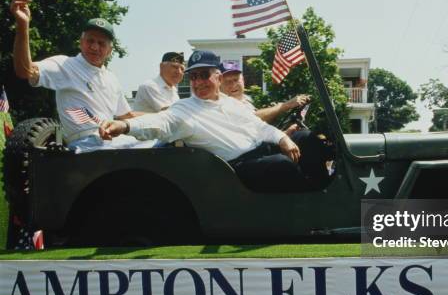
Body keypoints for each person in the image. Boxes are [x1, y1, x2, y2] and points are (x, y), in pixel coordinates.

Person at [100, 50, 330, 192]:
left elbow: (258, 127)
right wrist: (124, 126)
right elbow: (159, 123)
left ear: (217, 77)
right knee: (283, 165)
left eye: (204, 75)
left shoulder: (231, 103)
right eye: (194, 77)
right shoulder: (184, 109)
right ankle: (310, 206)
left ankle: (323, 191)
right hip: (237, 168)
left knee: (305, 138)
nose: (198, 82)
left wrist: (282, 138)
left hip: (259, 150)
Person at [10, 0, 151, 153]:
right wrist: (23, 25)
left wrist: (167, 116)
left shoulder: (111, 78)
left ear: (110, 50)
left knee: (168, 145)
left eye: (101, 43)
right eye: (90, 40)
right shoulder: (65, 65)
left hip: (116, 142)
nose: (94, 47)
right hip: (86, 146)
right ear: (81, 42)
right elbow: (25, 70)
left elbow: (127, 117)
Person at [219, 61, 310, 123]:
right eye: (227, 82)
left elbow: (259, 126)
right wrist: (285, 106)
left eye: (236, 80)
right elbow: (252, 119)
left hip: (260, 144)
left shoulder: (246, 101)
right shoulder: (223, 103)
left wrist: (287, 131)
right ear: (219, 84)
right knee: (305, 136)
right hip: (251, 150)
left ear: (243, 80)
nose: (233, 85)